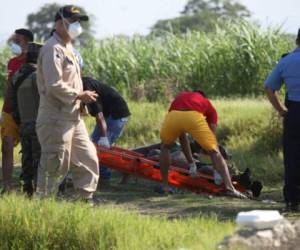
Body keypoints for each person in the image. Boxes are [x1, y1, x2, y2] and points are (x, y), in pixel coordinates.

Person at [36, 5, 99, 203]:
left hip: (74, 117)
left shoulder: (68, 47)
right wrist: (79, 95)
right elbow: (54, 84)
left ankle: (83, 203)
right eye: (72, 22)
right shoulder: (52, 49)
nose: (76, 26)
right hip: (55, 117)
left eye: (78, 22)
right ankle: (43, 208)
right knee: (55, 165)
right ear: (59, 23)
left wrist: (79, 99)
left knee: (88, 159)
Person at [159, 91, 247, 198]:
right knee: (215, 151)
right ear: (203, 97)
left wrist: (191, 163)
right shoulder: (207, 104)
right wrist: (216, 170)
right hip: (193, 116)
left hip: (173, 115)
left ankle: (165, 187)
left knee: (165, 147)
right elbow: (213, 141)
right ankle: (230, 188)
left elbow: (182, 137)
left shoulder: (181, 97)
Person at [265, 29, 300, 212]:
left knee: (292, 155)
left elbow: (269, 88)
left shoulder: (286, 61)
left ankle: (292, 199)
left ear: (297, 40)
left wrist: (281, 110)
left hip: (294, 112)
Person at [1, 28, 34, 193]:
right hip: (9, 111)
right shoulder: (11, 62)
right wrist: (3, 111)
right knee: (6, 146)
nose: (14, 44)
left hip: (27, 113)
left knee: (29, 150)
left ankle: (27, 186)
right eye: (14, 40)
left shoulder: (36, 62)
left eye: (18, 41)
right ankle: (6, 187)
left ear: (28, 43)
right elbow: (9, 87)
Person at [82, 76, 130, 180]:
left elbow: (99, 115)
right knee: (93, 144)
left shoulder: (87, 89)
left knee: (102, 148)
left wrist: (104, 137)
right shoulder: (78, 87)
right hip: (107, 114)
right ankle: (94, 174)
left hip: (117, 114)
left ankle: (104, 177)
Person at [11, 43, 42, 196]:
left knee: (27, 159)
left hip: (24, 122)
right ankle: (39, 192)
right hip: (38, 123)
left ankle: (26, 191)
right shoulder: (37, 75)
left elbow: (11, 100)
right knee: (39, 160)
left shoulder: (18, 74)